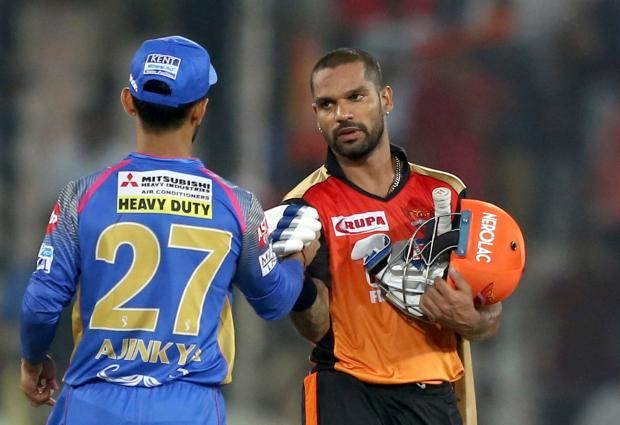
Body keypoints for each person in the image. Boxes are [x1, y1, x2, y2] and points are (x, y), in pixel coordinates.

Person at [19, 35, 319, 425]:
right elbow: (275, 301)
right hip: (188, 407)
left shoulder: (82, 196)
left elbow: (40, 305)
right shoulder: (237, 206)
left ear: (128, 101)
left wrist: (32, 361)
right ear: (200, 110)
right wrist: (294, 258)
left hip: (94, 403)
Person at [279, 48, 503, 425]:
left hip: (432, 394)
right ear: (317, 115)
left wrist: (472, 320)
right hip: (346, 389)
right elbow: (315, 327)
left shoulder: (445, 194)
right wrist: (294, 283)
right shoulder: (306, 205)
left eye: (356, 97)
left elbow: (489, 312)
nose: (343, 114)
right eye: (327, 104)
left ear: (385, 99)